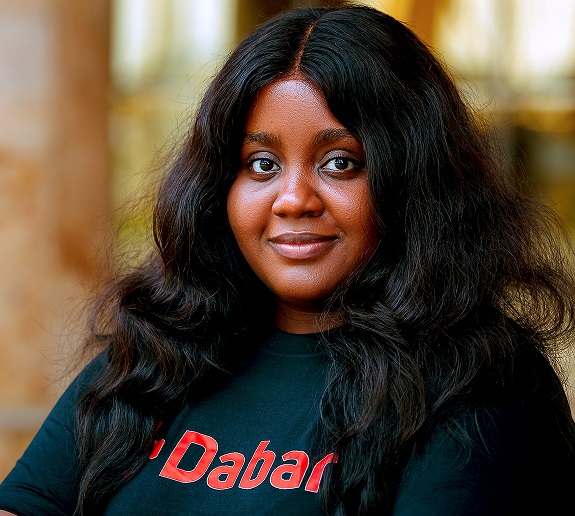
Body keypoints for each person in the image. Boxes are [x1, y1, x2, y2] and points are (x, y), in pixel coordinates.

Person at [1, 5, 575, 515]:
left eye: (340, 162)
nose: (294, 199)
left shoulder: (478, 383)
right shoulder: (158, 352)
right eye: (262, 164)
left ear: (413, 181)